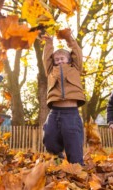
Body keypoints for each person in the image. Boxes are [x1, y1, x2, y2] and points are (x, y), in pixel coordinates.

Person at [41, 28, 86, 165]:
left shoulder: (75, 68)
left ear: (69, 60)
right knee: (49, 137)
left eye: (62, 58)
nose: (59, 61)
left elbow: (77, 53)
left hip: (71, 113)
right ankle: (57, 158)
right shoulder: (51, 71)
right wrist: (49, 44)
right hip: (54, 112)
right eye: (57, 59)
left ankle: (77, 167)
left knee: (73, 142)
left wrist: (69, 39)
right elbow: (46, 58)